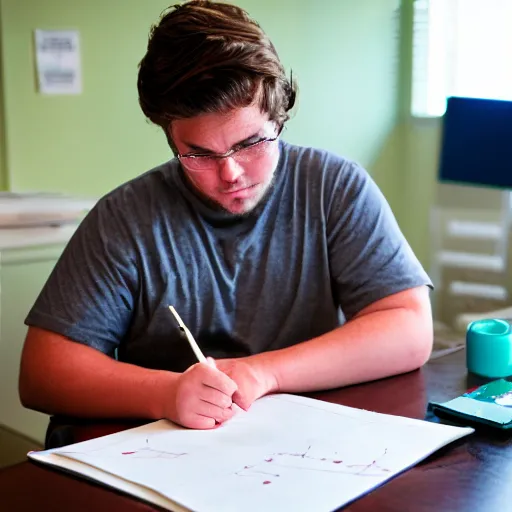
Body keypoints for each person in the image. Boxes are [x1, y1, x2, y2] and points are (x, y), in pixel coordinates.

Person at [19, 0, 433, 431]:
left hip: (307, 447)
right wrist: (164, 393)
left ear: (279, 114)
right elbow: (42, 374)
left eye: (250, 143)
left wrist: (265, 372)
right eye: (198, 153)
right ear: (170, 138)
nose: (231, 174)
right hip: (167, 453)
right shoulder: (124, 220)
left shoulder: (333, 187)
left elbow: (409, 328)